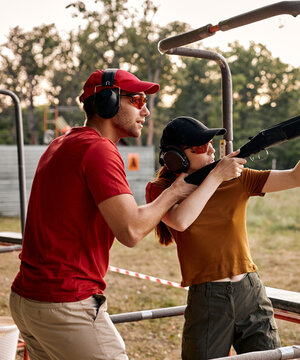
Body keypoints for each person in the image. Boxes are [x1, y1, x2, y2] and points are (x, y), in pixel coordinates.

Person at [9, 69, 245, 360]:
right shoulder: (99, 150)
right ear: (107, 101)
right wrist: (174, 192)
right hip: (65, 302)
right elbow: (131, 231)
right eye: (136, 100)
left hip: (29, 298)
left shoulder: (63, 142)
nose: (145, 110)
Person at [146, 109, 300, 359]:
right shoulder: (162, 189)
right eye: (198, 148)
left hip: (250, 291)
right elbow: (180, 220)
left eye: (209, 144)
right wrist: (217, 176)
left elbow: (298, 177)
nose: (209, 150)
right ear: (175, 158)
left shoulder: (236, 179)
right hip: (208, 297)